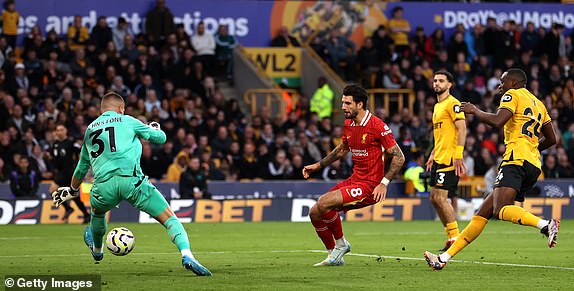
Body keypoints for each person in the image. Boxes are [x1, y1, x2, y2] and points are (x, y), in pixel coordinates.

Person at [51, 92, 211, 276]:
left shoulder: (89, 130)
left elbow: (81, 168)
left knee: (97, 213)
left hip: (103, 187)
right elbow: (161, 139)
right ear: (121, 108)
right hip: (132, 182)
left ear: (101, 111)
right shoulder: (127, 120)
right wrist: (154, 128)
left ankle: (97, 250)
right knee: (170, 219)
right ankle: (187, 255)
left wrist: (72, 189)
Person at [424, 68, 560, 270]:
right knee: (482, 213)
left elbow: (497, 121)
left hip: (516, 160)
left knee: (500, 210)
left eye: (503, 82)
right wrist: (531, 147)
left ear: (514, 83)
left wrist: (475, 110)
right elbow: (552, 139)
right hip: (532, 164)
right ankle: (443, 258)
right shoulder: (539, 104)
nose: (500, 86)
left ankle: (545, 225)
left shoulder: (512, 94)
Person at [303, 84, 405, 266]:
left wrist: (384, 182)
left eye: (348, 103)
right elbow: (342, 150)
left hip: (370, 186)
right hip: (355, 180)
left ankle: (341, 245)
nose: (343, 107)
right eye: (343, 103)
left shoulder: (377, 126)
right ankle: (333, 255)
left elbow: (399, 156)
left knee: (324, 203)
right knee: (315, 212)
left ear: (360, 104)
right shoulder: (349, 124)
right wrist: (317, 166)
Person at [425, 70, 466, 252]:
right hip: (439, 158)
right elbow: (441, 134)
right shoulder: (437, 106)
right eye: (435, 81)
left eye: (441, 81)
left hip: (450, 158)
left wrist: (458, 155)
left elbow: (462, 129)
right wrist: (433, 153)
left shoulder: (453, 103)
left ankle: (456, 238)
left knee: (441, 198)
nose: (437, 83)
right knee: (434, 198)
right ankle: (450, 237)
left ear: (450, 85)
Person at [50, 123, 91, 223]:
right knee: (73, 195)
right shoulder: (55, 144)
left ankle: (69, 209)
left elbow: (80, 153)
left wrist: (81, 168)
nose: (59, 132)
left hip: (69, 172)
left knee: (53, 190)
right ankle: (85, 214)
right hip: (60, 172)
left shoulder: (71, 142)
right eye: (58, 130)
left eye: (61, 129)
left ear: (66, 131)